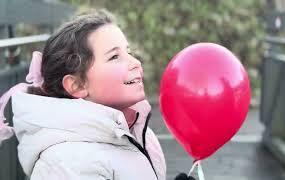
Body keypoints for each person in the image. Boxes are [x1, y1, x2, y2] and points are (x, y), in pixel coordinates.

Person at [0, 9, 166, 180]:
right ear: (77, 85)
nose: (136, 63)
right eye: (115, 56)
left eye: (128, 52)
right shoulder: (67, 165)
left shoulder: (135, 130)